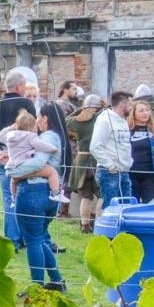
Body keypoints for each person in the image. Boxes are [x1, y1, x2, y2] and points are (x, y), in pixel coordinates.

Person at [10, 110, 66, 290]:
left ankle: (36, 287)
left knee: (32, 241)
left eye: (40, 116)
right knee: (40, 238)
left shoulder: (44, 138)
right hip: (50, 193)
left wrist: (15, 173)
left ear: (45, 118)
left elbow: (38, 163)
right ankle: (57, 281)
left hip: (32, 191)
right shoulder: (56, 136)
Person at [0, 69, 38, 241]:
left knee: (8, 197)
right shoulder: (26, 104)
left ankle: (12, 238)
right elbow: (33, 130)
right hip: (22, 157)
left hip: (2, 155)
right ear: (20, 86)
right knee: (25, 195)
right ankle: (25, 236)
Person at [0, 111, 68, 202]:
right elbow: (41, 145)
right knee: (51, 171)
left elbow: (0, 135)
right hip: (24, 165)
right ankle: (56, 193)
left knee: (14, 181)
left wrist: (11, 127)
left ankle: (14, 198)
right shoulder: (30, 137)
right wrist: (53, 149)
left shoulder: (11, 136)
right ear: (32, 127)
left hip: (11, 167)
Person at [90, 90, 135, 208]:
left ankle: (123, 227)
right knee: (110, 208)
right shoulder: (105, 120)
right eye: (130, 105)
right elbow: (95, 147)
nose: (132, 108)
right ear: (122, 105)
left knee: (126, 207)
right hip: (110, 172)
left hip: (124, 171)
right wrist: (110, 165)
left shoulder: (123, 121)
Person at [68, 94, 104, 232]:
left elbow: (66, 120)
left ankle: (85, 225)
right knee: (102, 194)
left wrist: (79, 110)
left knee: (86, 196)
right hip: (96, 161)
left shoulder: (75, 121)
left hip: (81, 161)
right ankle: (99, 224)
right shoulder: (99, 119)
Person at [127, 100, 154, 203]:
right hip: (131, 175)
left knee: (151, 206)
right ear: (134, 113)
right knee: (131, 207)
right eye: (141, 111)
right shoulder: (126, 129)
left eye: (147, 110)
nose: (145, 113)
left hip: (151, 175)